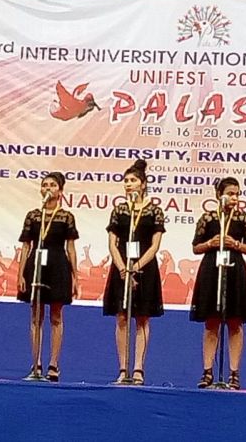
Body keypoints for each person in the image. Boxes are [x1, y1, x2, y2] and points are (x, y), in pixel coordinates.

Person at [190, 177, 246, 390]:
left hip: (234, 269)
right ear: (219, 195)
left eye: (237, 194)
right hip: (212, 268)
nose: (234, 198)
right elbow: (196, 247)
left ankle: (234, 373)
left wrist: (236, 244)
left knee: (235, 322)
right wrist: (210, 243)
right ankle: (208, 371)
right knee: (211, 321)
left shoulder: (242, 218)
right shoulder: (208, 218)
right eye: (230, 194)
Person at [103, 159, 165, 385]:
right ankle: (123, 368)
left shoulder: (154, 211)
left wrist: (136, 268)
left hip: (144, 268)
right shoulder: (120, 210)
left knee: (142, 317)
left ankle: (138, 368)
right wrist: (123, 268)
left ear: (143, 184)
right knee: (121, 316)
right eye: (126, 181)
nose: (128, 184)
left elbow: (155, 245)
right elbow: (112, 243)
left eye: (132, 180)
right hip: (121, 267)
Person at [16, 172, 79, 381]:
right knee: (36, 316)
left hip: (58, 266)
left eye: (52, 185)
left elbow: (71, 248)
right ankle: (36, 364)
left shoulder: (66, 217)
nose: (48, 188)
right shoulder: (33, 216)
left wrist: (75, 276)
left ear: (60, 191)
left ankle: (53, 364)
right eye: (44, 185)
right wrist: (20, 274)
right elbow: (26, 246)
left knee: (56, 315)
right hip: (35, 266)